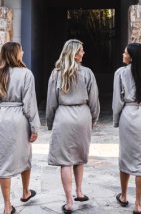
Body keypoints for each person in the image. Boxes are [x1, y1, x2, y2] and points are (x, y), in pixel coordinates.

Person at [46, 39, 100, 214]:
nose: (83, 53)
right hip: (83, 115)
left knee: (65, 160)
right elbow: (94, 100)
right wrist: (93, 120)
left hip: (63, 116)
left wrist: (50, 122)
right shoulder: (88, 73)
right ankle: (79, 191)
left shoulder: (56, 73)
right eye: (81, 51)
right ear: (73, 53)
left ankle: (69, 201)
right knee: (79, 155)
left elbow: (51, 102)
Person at [0, 42, 41, 214]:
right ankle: (25, 192)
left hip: (2, 118)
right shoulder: (26, 74)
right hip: (19, 118)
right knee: (25, 155)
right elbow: (29, 104)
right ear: (15, 54)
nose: (23, 52)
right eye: (21, 50)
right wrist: (34, 127)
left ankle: (7, 206)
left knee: (3, 162)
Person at [112, 43, 141, 214]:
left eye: (125, 52)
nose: (122, 54)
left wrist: (117, 120)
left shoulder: (121, 73)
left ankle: (124, 196)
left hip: (128, 115)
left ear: (131, 56)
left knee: (125, 157)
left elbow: (117, 101)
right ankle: (138, 204)